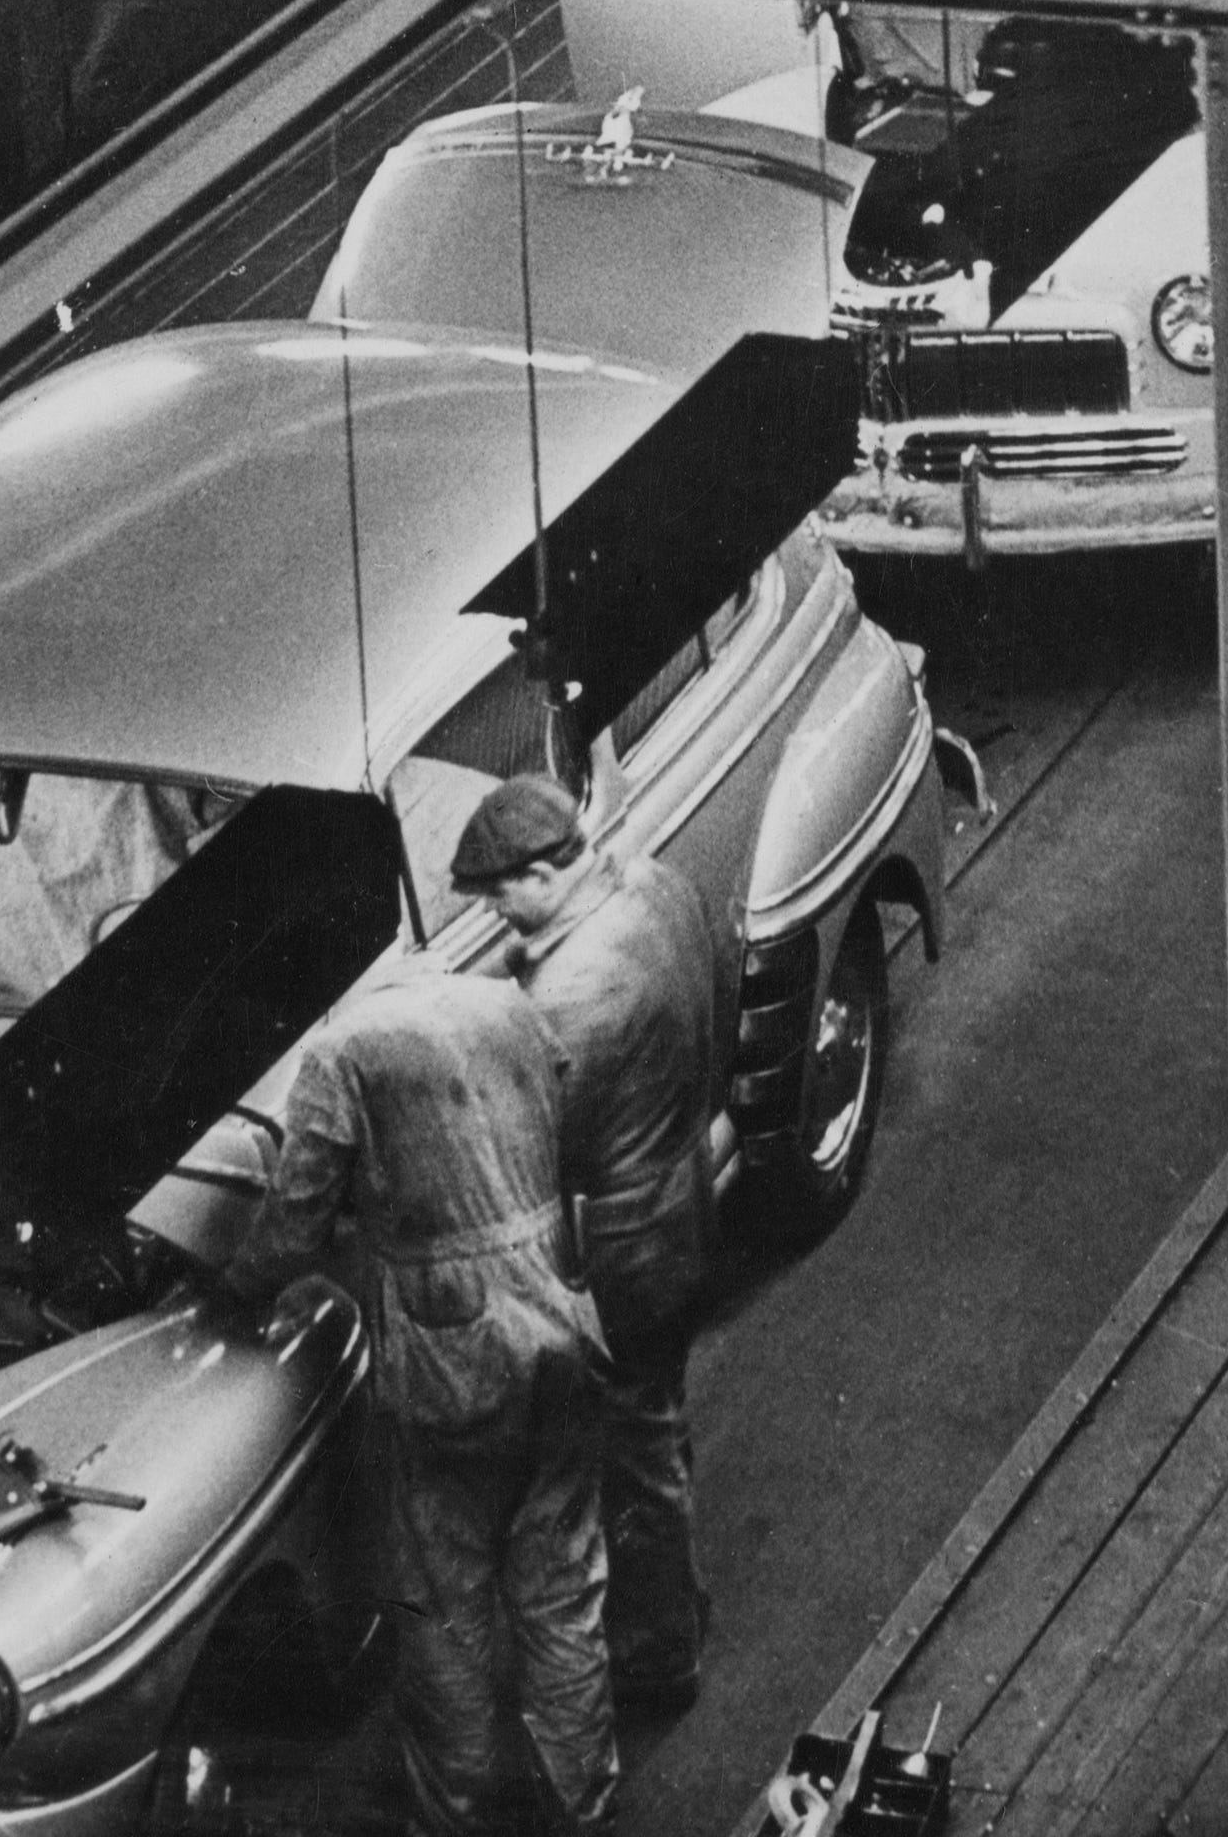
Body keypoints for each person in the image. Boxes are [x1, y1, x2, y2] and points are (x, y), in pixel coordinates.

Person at [247, 970, 616, 1836]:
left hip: (453, 1360)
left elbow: (293, 1225)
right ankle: (585, 1803)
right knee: (563, 1584)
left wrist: (236, 1286)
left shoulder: (337, 1056)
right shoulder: (501, 1001)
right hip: (562, 1320)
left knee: (443, 1607)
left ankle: (458, 1818)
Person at [459, 776, 738, 1717]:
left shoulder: (572, 998)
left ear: (543, 874)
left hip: (620, 1256)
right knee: (659, 1416)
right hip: (684, 1199)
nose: (495, 913)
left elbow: (524, 1142)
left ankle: (660, 1654)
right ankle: (676, 1598)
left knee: (633, 1453)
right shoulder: (659, 885)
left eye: (501, 895)